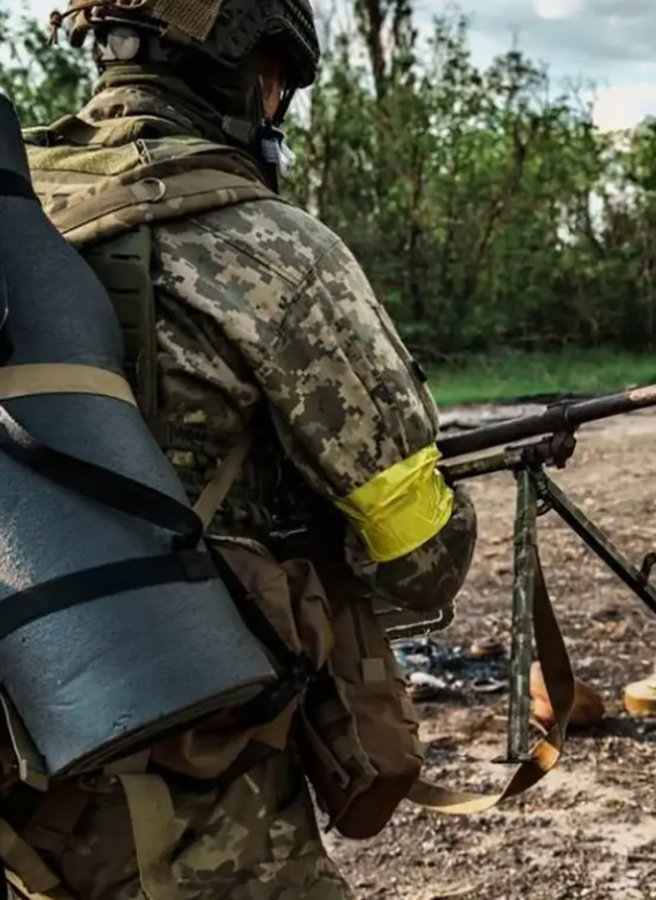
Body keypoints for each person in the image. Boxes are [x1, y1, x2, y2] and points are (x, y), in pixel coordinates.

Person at [3, 0, 477, 895]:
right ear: (247, 71)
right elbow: (424, 561)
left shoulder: (15, 214)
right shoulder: (275, 252)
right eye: (278, 83)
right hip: (187, 785)